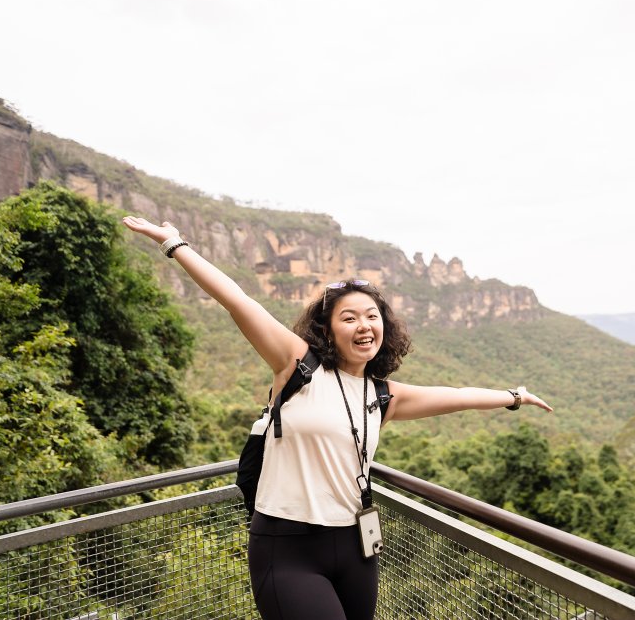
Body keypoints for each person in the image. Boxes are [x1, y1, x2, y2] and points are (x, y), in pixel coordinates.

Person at [121, 216, 553, 620]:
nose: (363, 325)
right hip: (287, 547)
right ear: (327, 330)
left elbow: (456, 396)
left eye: (372, 316)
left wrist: (512, 397)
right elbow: (238, 301)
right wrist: (174, 244)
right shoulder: (297, 365)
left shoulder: (384, 395)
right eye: (349, 317)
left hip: (356, 549)